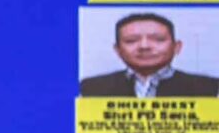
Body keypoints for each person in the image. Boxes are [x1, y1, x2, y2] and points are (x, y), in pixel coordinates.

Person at [79, 13, 219, 98]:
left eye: (158, 39)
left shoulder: (209, 88)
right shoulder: (90, 88)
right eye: (131, 40)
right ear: (117, 50)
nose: (144, 46)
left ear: (177, 47)